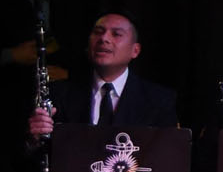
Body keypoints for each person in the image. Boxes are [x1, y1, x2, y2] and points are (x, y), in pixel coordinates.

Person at [26, 13, 178, 140]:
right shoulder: (58, 94)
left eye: (116, 34)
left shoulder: (159, 101)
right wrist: (35, 137)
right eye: (98, 32)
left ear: (135, 50)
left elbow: (167, 160)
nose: (104, 38)